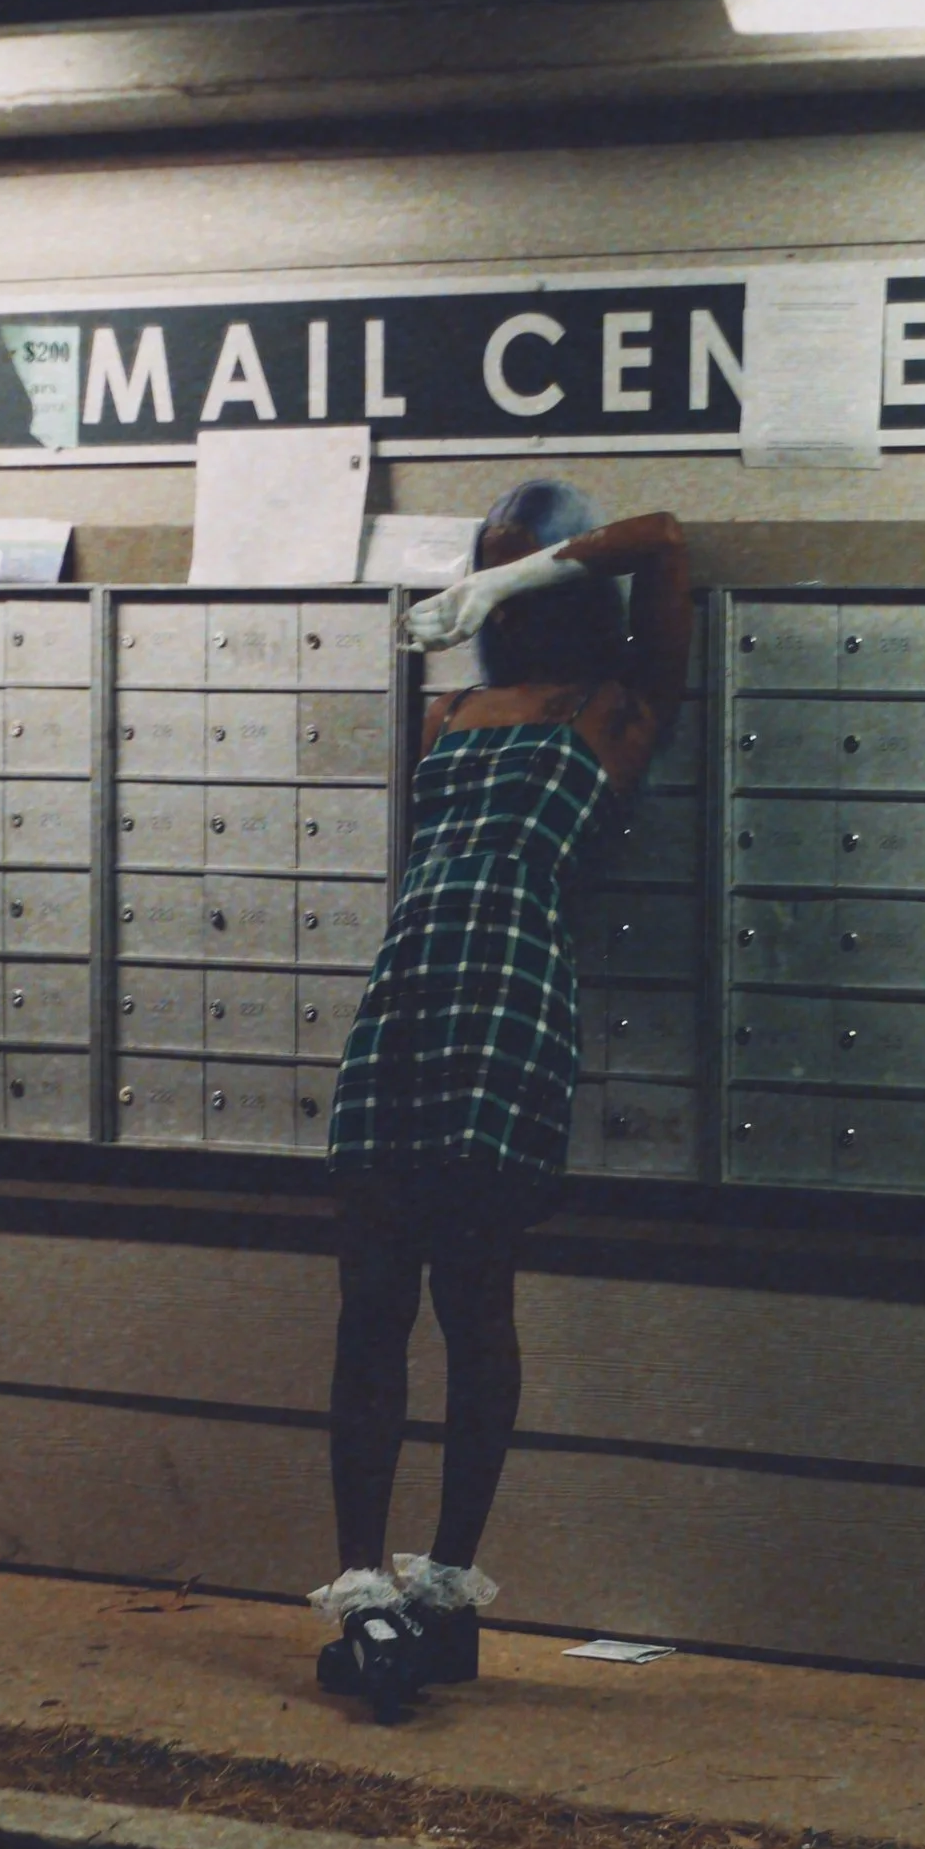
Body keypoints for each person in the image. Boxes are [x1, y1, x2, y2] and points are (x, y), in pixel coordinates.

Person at [311, 479, 699, 1719]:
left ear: (559, 584)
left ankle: (444, 1586)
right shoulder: (451, 708)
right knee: (369, 1295)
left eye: (516, 567)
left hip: (512, 994)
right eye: (479, 563)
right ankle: (361, 1582)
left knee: (473, 1296)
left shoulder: (621, 701)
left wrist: (512, 572)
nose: (490, 584)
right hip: (412, 982)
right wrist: (489, 582)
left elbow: (663, 540)